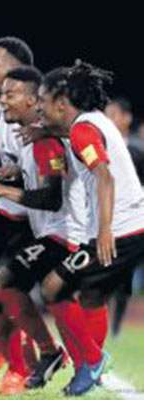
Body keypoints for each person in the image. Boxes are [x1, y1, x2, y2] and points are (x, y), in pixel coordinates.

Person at [0, 61, 144, 396]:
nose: (40, 108)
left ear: (62, 103)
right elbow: (75, 138)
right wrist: (46, 131)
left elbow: (103, 175)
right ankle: (89, 368)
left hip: (120, 231)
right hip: (130, 227)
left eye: (43, 101)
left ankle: (92, 361)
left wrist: (103, 231)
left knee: (53, 288)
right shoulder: (92, 121)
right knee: (87, 294)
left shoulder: (81, 131)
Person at [0, 67, 75, 392]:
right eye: (1, 94)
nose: (3, 101)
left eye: (10, 94)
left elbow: (51, 197)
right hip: (47, 232)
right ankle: (47, 355)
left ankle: (62, 356)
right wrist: (7, 175)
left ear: (33, 101)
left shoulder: (45, 142)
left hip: (66, 234)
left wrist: (1, 190)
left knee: (5, 285)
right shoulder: (29, 140)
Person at [104, 97, 144, 338]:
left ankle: (116, 328)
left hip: (131, 223)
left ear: (126, 118)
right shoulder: (99, 148)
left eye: (114, 114)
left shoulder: (137, 152)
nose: (108, 119)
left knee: (123, 278)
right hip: (104, 222)